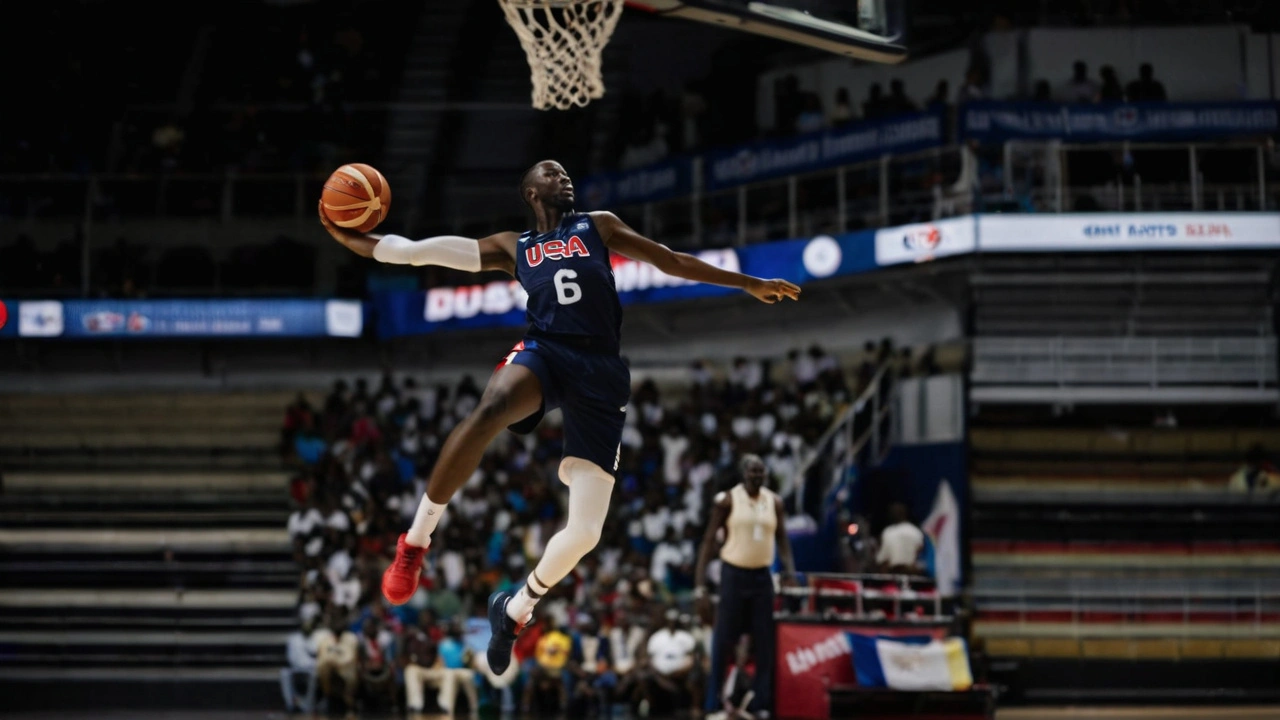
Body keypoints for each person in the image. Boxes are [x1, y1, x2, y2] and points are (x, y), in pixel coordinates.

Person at [319, 159, 801, 676]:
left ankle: (517, 608)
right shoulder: (512, 246)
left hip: (602, 371)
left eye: (566, 172)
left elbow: (670, 259)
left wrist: (747, 282)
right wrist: (341, 232)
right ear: (529, 191)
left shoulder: (599, 225)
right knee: (490, 409)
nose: (564, 177)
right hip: (547, 352)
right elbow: (408, 252)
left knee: (586, 532)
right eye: (551, 173)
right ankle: (414, 544)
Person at [694, 454, 796, 720]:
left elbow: (783, 540)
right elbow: (707, 542)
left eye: (761, 472)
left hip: (762, 577)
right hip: (733, 575)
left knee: (765, 643)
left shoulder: (775, 501)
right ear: (743, 473)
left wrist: (789, 570)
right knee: (723, 640)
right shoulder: (727, 500)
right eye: (752, 472)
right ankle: (714, 703)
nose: (757, 477)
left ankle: (760, 704)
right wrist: (700, 585)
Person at [280, 617, 319, 714]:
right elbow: (290, 657)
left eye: (309, 626)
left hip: (311, 669)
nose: (307, 628)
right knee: (284, 673)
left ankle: (308, 705)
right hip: (295, 668)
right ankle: (290, 704)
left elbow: (315, 655)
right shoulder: (293, 639)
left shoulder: (315, 638)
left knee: (314, 675)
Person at [877, 502, 925, 574]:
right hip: (913, 574)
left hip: (895, 574)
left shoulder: (888, 532)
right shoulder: (916, 532)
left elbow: (882, 559)